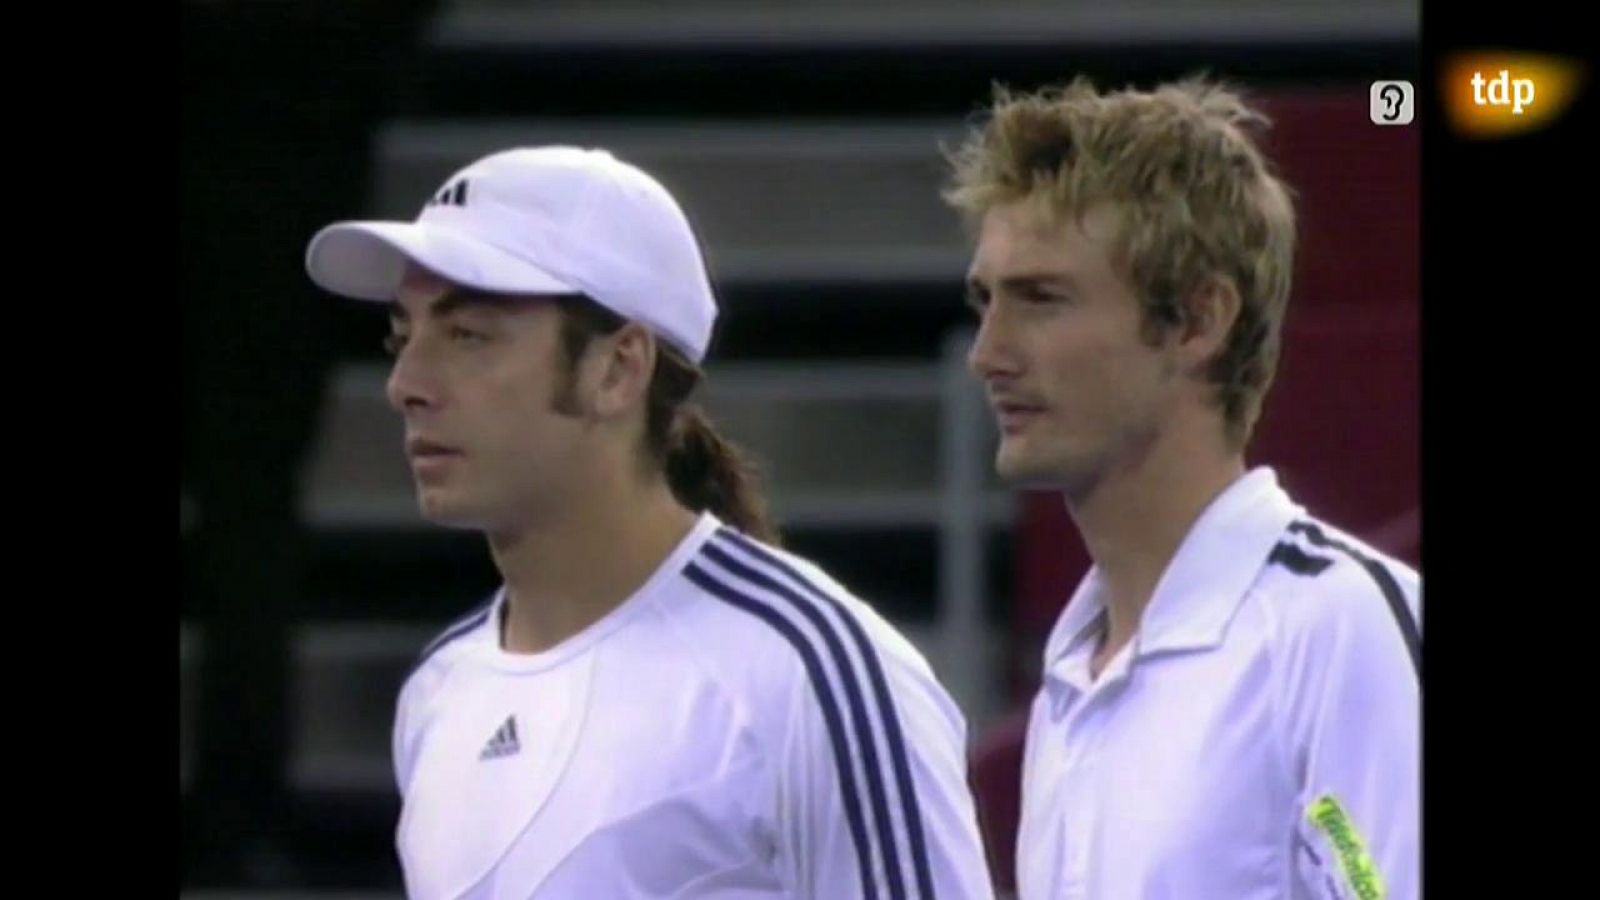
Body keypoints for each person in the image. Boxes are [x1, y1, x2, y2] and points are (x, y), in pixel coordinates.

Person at [304, 146, 995, 899]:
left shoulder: (811, 668)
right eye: (402, 339)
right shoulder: (441, 690)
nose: (406, 385)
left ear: (618, 368)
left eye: (468, 335)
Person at [943, 77, 1420, 899]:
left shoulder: (1338, 631)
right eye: (988, 301)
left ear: (1199, 322)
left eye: (1042, 299)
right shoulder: (1072, 670)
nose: (988, 354)